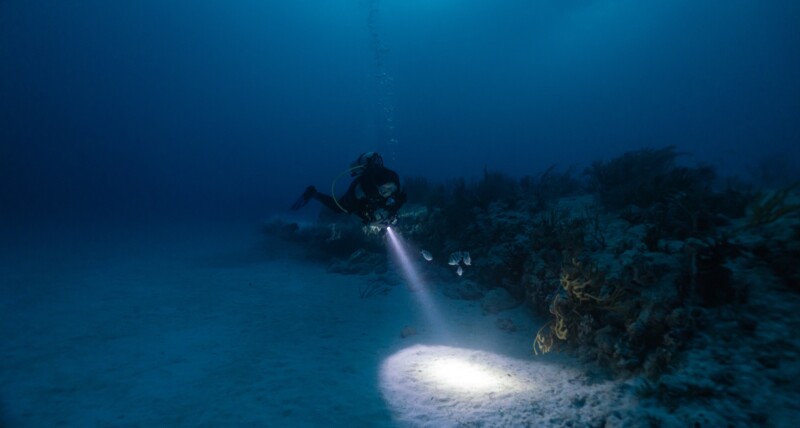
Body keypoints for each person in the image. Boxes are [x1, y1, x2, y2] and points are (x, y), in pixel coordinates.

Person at [290, 152, 406, 227]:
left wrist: (393, 212)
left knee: (386, 202)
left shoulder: (396, 183)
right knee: (338, 208)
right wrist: (369, 221)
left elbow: (402, 198)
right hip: (359, 198)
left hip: (373, 195)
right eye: (384, 189)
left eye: (391, 188)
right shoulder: (360, 189)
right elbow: (355, 209)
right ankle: (313, 193)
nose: (388, 192)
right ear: (376, 187)